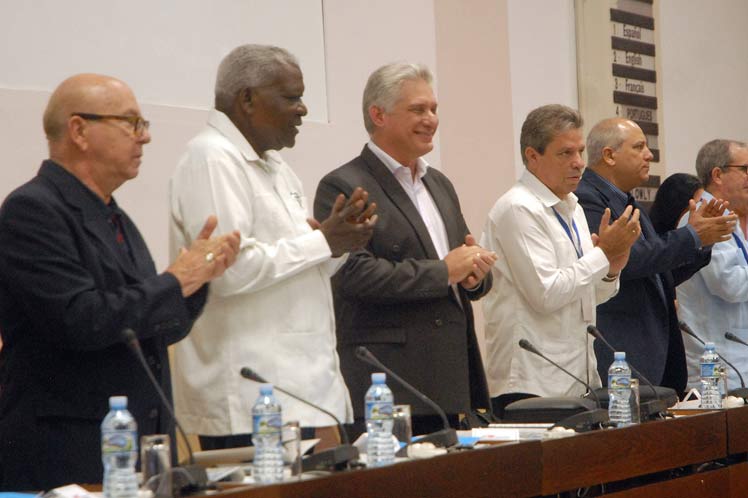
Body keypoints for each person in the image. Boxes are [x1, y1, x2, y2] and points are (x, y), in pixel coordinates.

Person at [0, 74, 240, 490]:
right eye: (131, 123)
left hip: (138, 450)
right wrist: (174, 280)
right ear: (79, 130)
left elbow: (152, 328)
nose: (143, 138)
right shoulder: (32, 210)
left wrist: (198, 280)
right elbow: (79, 319)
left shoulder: (113, 215)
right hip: (70, 451)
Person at [170, 44, 376, 451]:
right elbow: (228, 272)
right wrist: (321, 241)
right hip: (249, 397)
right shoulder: (212, 159)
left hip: (300, 392)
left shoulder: (277, 167)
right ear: (247, 99)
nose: (302, 110)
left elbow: (300, 267)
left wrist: (336, 246)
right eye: (292, 97)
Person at [314, 63, 496, 437]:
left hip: (449, 380)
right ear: (378, 114)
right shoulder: (343, 185)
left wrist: (476, 275)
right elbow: (353, 274)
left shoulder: (439, 183)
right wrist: (445, 272)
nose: (431, 119)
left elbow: (462, 260)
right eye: (418, 110)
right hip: (389, 384)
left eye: (433, 109)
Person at [480, 105, 641, 417]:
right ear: (533, 156)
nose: (579, 163)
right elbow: (547, 294)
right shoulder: (518, 209)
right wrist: (602, 255)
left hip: (577, 377)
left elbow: (586, 296)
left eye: (580, 151)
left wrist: (611, 270)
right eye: (565, 153)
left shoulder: (572, 207)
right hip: (532, 382)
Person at [576, 118, 736, 393]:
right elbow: (627, 262)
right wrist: (691, 235)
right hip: (622, 353)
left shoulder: (627, 200)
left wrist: (702, 242)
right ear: (609, 155)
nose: (649, 155)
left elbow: (660, 276)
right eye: (639, 147)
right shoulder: (588, 199)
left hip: (653, 355)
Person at [677, 139, 748, 390]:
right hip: (717, 367)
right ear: (718, 174)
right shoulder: (704, 218)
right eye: (746, 169)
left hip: (737, 361)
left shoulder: (732, 219)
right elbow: (729, 284)